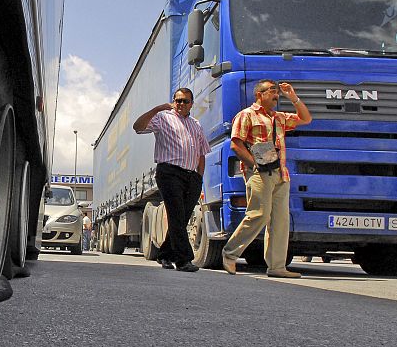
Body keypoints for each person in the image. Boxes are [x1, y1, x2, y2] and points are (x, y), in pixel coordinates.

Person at [221, 80, 312, 278]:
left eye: (276, 91)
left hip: (280, 172)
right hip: (259, 173)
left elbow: (306, 119)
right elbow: (236, 144)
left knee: (280, 221)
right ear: (259, 95)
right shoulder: (246, 115)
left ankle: (277, 266)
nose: (276, 94)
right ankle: (230, 253)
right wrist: (254, 164)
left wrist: (293, 97)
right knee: (258, 214)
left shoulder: (279, 117)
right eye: (271, 91)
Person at [133, 88, 209, 272]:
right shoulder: (163, 118)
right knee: (175, 214)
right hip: (169, 173)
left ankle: (165, 254)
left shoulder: (196, 124)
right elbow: (138, 127)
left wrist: (199, 176)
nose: (181, 104)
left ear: (191, 103)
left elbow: (201, 152)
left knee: (182, 218)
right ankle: (183, 260)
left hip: (191, 176)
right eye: (178, 100)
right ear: (173, 101)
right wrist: (156, 109)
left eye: (185, 101)